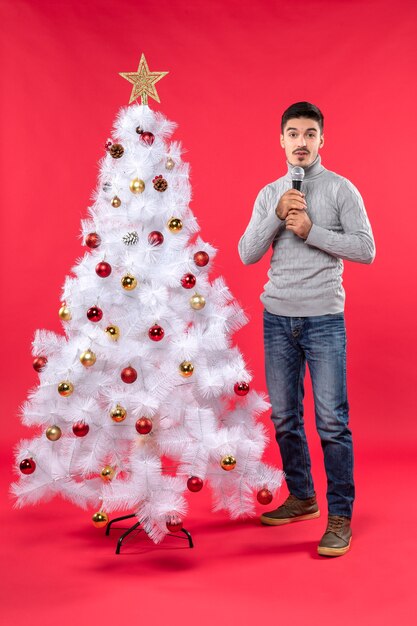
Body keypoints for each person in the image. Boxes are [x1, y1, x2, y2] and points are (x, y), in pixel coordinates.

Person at [238, 102, 375, 557]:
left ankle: (340, 517)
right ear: (280, 140)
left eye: (310, 133)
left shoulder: (340, 190)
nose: (301, 141)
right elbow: (245, 254)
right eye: (293, 133)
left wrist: (312, 230)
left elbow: (366, 249)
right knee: (284, 417)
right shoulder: (269, 193)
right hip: (277, 319)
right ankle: (302, 497)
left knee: (332, 423)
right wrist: (276, 215)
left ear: (322, 140)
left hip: (323, 320)